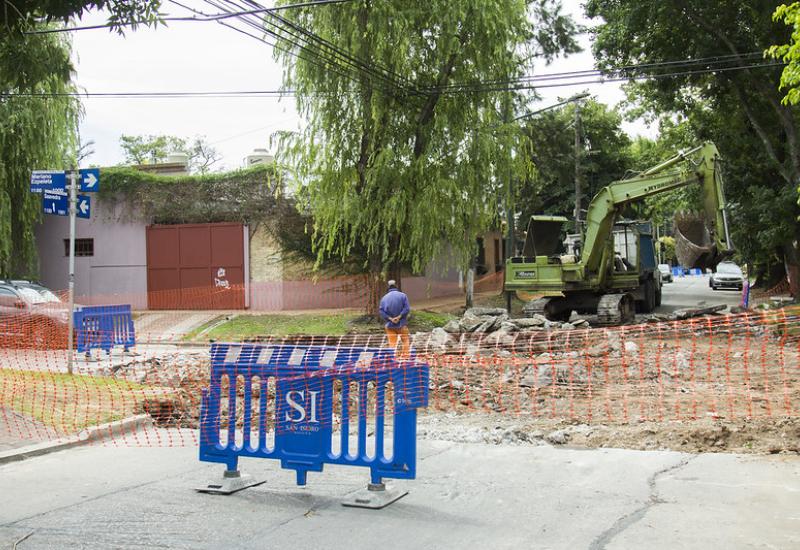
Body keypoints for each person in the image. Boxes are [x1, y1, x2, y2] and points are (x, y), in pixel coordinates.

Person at [379, 280, 411, 359]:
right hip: (401, 324)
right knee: (405, 341)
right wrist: (399, 317)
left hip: (390, 326)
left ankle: (394, 359)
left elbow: (381, 311)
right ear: (396, 286)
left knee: (392, 343)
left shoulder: (384, 298)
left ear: (388, 288)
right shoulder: (403, 296)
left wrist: (391, 319)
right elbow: (407, 309)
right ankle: (406, 358)